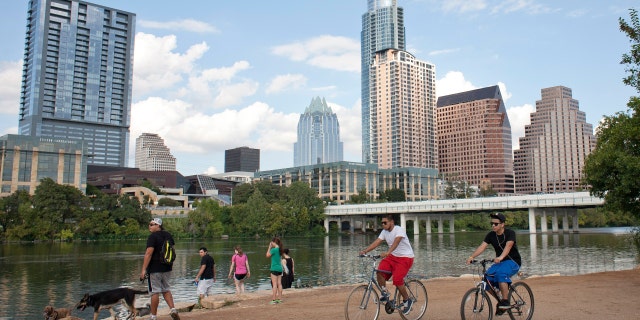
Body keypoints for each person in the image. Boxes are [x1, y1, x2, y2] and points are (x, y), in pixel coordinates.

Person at [466, 212, 522, 315]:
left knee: (501, 274)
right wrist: (472, 257)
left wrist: (500, 257)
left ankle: (505, 301)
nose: (493, 225)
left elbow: (508, 246)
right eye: (492, 223)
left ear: (502, 224)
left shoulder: (510, 233)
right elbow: (482, 246)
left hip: (513, 262)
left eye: (496, 224)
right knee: (486, 278)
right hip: (500, 262)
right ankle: (500, 299)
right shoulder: (491, 235)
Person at [359, 214, 415, 315]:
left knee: (397, 279)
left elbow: (396, 242)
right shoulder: (384, 232)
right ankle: (385, 292)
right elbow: (377, 242)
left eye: (385, 223)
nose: (383, 225)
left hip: (405, 258)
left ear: (391, 222)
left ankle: (407, 300)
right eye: (382, 223)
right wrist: (365, 251)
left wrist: (388, 252)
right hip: (392, 257)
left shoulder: (399, 230)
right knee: (380, 271)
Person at [140, 218, 180, 320]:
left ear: (158, 225)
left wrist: (143, 269)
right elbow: (172, 250)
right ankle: (173, 309)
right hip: (167, 267)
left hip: (154, 268)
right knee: (166, 289)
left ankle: (153, 316)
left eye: (152, 224)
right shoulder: (168, 235)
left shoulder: (152, 237)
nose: (150, 226)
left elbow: (149, 253)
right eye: (150, 224)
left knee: (155, 292)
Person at [266, 237, 283, 304]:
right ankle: (280, 299)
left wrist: (269, 247)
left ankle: (273, 299)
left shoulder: (274, 250)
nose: (271, 244)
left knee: (274, 284)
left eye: (271, 242)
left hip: (274, 268)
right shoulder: (280, 249)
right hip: (280, 268)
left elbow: (267, 255)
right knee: (279, 283)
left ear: (273, 242)